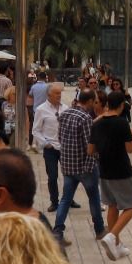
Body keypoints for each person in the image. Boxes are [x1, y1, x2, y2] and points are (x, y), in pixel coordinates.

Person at [52, 91, 104, 249]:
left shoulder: (65, 113)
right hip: (84, 165)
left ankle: (57, 232)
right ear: (88, 101)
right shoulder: (85, 118)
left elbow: (60, 137)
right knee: (94, 198)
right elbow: (90, 144)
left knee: (65, 199)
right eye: (93, 101)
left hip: (68, 165)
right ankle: (100, 229)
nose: (94, 104)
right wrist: (93, 162)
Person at [92, 90, 132, 260]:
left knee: (112, 205)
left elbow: (90, 150)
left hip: (104, 170)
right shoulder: (121, 123)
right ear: (120, 106)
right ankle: (112, 236)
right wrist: (131, 135)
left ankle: (116, 245)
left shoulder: (96, 124)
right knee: (131, 205)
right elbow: (130, 148)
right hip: (122, 170)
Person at [31, 82, 64, 211]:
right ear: (49, 95)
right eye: (56, 93)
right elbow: (36, 130)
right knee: (52, 176)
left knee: (69, 176)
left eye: (60, 93)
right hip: (50, 148)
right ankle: (54, 201)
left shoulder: (65, 108)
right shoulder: (41, 109)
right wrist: (45, 143)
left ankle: (69, 199)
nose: (59, 95)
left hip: (64, 147)